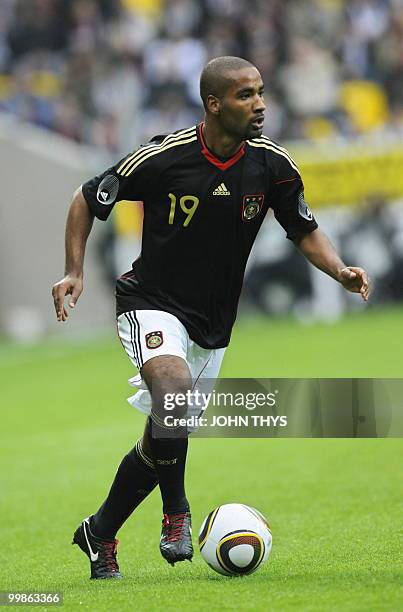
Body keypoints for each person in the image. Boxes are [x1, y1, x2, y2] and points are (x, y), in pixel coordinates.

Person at [52, 56, 370, 580]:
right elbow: (87, 198)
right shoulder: (163, 157)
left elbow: (304, 228)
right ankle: (176, 512)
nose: (261, 104)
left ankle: (99, 532)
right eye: (246, 95)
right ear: (214, 104)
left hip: (212, 325)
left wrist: (339, 270)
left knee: (163, 438)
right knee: (171, 390)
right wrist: (73, 272)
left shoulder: (272, 165)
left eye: (261, 92)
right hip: (149, 300)